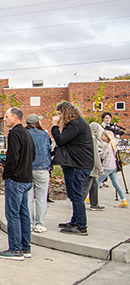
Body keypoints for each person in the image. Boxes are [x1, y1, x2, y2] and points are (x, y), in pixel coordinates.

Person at [0, 107, 35, 261]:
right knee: (24, 213)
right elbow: (32, 155)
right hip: (26, 178)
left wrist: (7, 172)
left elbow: (13, 157)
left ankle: (15, 249)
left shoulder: (14, 133)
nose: (4, 119)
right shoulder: (27, 133)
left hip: (16, 180)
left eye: (6, 116)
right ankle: (26, 247)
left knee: (13, 214)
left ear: (15, 117)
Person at [51, 101, 93, 236]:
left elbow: (61, 140)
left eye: (59, 113)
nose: (58, 116)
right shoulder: (78, 123)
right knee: (74, 194)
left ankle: (81, 226)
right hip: (77, 163)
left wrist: (54, 126)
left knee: (76, 195)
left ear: (66, 112)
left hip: (77, 164)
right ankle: (75, 221)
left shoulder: (75, 124)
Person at [25, 114, 52, 233]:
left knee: (28, 197)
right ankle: (40, 223)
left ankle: (29, 222)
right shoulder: (44, 135)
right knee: (41, 197)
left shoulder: (25, 134)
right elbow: (48, 149)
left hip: (28, 168)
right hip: (42, 168)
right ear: (37, 123)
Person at [97, 130, 128, 208]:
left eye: (103, 136)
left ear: (107, 137)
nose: (101, 137)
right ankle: (124, 200)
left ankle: (91, 198)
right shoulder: (113, 145)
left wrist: (97, 154)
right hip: (113, 167)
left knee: (97, 182)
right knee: (116, 184)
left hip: (107, 167)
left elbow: (103, 156)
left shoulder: (106, 146)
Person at [83, 122, 105, 211]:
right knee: (86, 185)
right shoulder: (92, 138)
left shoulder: (86, 137)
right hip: (91, 165)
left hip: (87, 163)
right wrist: (98, 167)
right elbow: (95, 154)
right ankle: (79, 203)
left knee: (94, 185)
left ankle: (94, 203)